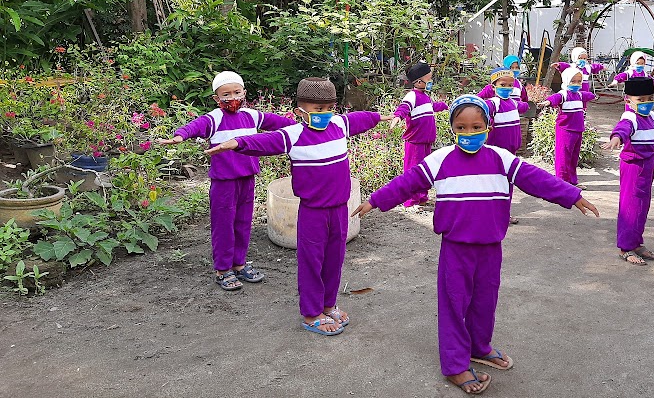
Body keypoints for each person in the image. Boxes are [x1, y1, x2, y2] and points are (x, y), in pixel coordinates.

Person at [352, 94, 599, 395]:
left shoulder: (500, 158)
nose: (469, 134)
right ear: (453, 129)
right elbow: (408, 182)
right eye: (461, 128)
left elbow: (535, 179)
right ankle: (455, 365)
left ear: (488, 126)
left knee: (485, 300)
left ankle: (479, 346)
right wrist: (375, 200)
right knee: (454, 303)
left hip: (490, 246)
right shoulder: (440, 159)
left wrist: (571, 196)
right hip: (456, 247)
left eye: (476, 127)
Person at [205, 77, 392, 335]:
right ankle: (311, 313)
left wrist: (381, 117)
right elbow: (264, 142)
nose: (324, 114)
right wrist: (236, 143)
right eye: (317, 110)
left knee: (334, 259)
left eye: (328, 108)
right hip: (313, 212)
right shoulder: (294, 135)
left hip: (339, 209)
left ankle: (328, 304)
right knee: (311, 262)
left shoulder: (339, 124)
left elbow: (360, 119)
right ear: (300, 112)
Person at [158, 71, 294, 291]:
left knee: (243, 223)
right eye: (226, 95)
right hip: (223, 182)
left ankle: (239, 264)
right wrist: (179, 136)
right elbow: (195, 126)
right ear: (216, 98)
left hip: (247, 178)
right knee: (223, 225)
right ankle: (223, 269)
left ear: (244, 93)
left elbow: (278, 122)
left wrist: (303, 125)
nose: (232, 98)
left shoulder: (252, 116)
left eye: (237, 92)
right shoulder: (215, 118)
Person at [603, 77, 654, 266]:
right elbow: (623, 128)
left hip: (648, 165)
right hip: (633, 167)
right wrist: (616, 138)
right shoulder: (630, 117)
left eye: (649, 98)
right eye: (641, 100)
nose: (646, 103)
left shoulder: (651, 116)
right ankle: (625, 247)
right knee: (630, 207)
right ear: (628, 100)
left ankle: (637, 243)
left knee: (642, 207)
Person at [390, 62, 448, 207]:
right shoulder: (412, 96)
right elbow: (404, 107)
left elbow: (431, 107)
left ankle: (422, 196)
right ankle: (411, 199)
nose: (430, 82)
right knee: (413, 170)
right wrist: (398, 116)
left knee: (425, 169)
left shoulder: (425, 97)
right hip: (415, 141)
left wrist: (445, 105)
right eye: (428, 79)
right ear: (418, 81)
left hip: (426, 141)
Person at [484, 68, 531, 224]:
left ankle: (504, 213)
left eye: (510, 85)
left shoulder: (513, 103)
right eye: (503, 85)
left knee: (508, 183)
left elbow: (524, 106)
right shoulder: (493, 103)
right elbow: (480, 109)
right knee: (495, 183)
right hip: (496, 154)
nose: (507, 88)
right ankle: (493, 214)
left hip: (511, 153)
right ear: (493, 87)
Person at [538, 67, 596, 186]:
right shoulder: (564, 94)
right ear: (566, 81)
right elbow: (555, 98)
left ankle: (572, 181)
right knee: (563, 157)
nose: (576, 84)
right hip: (565, 130)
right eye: (573, 81)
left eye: (579, 81)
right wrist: (547, 102)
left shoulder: (579, 94)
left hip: (578, 130)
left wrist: (594, 96)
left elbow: (588, 95)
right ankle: (562, 182)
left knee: (574, 157)